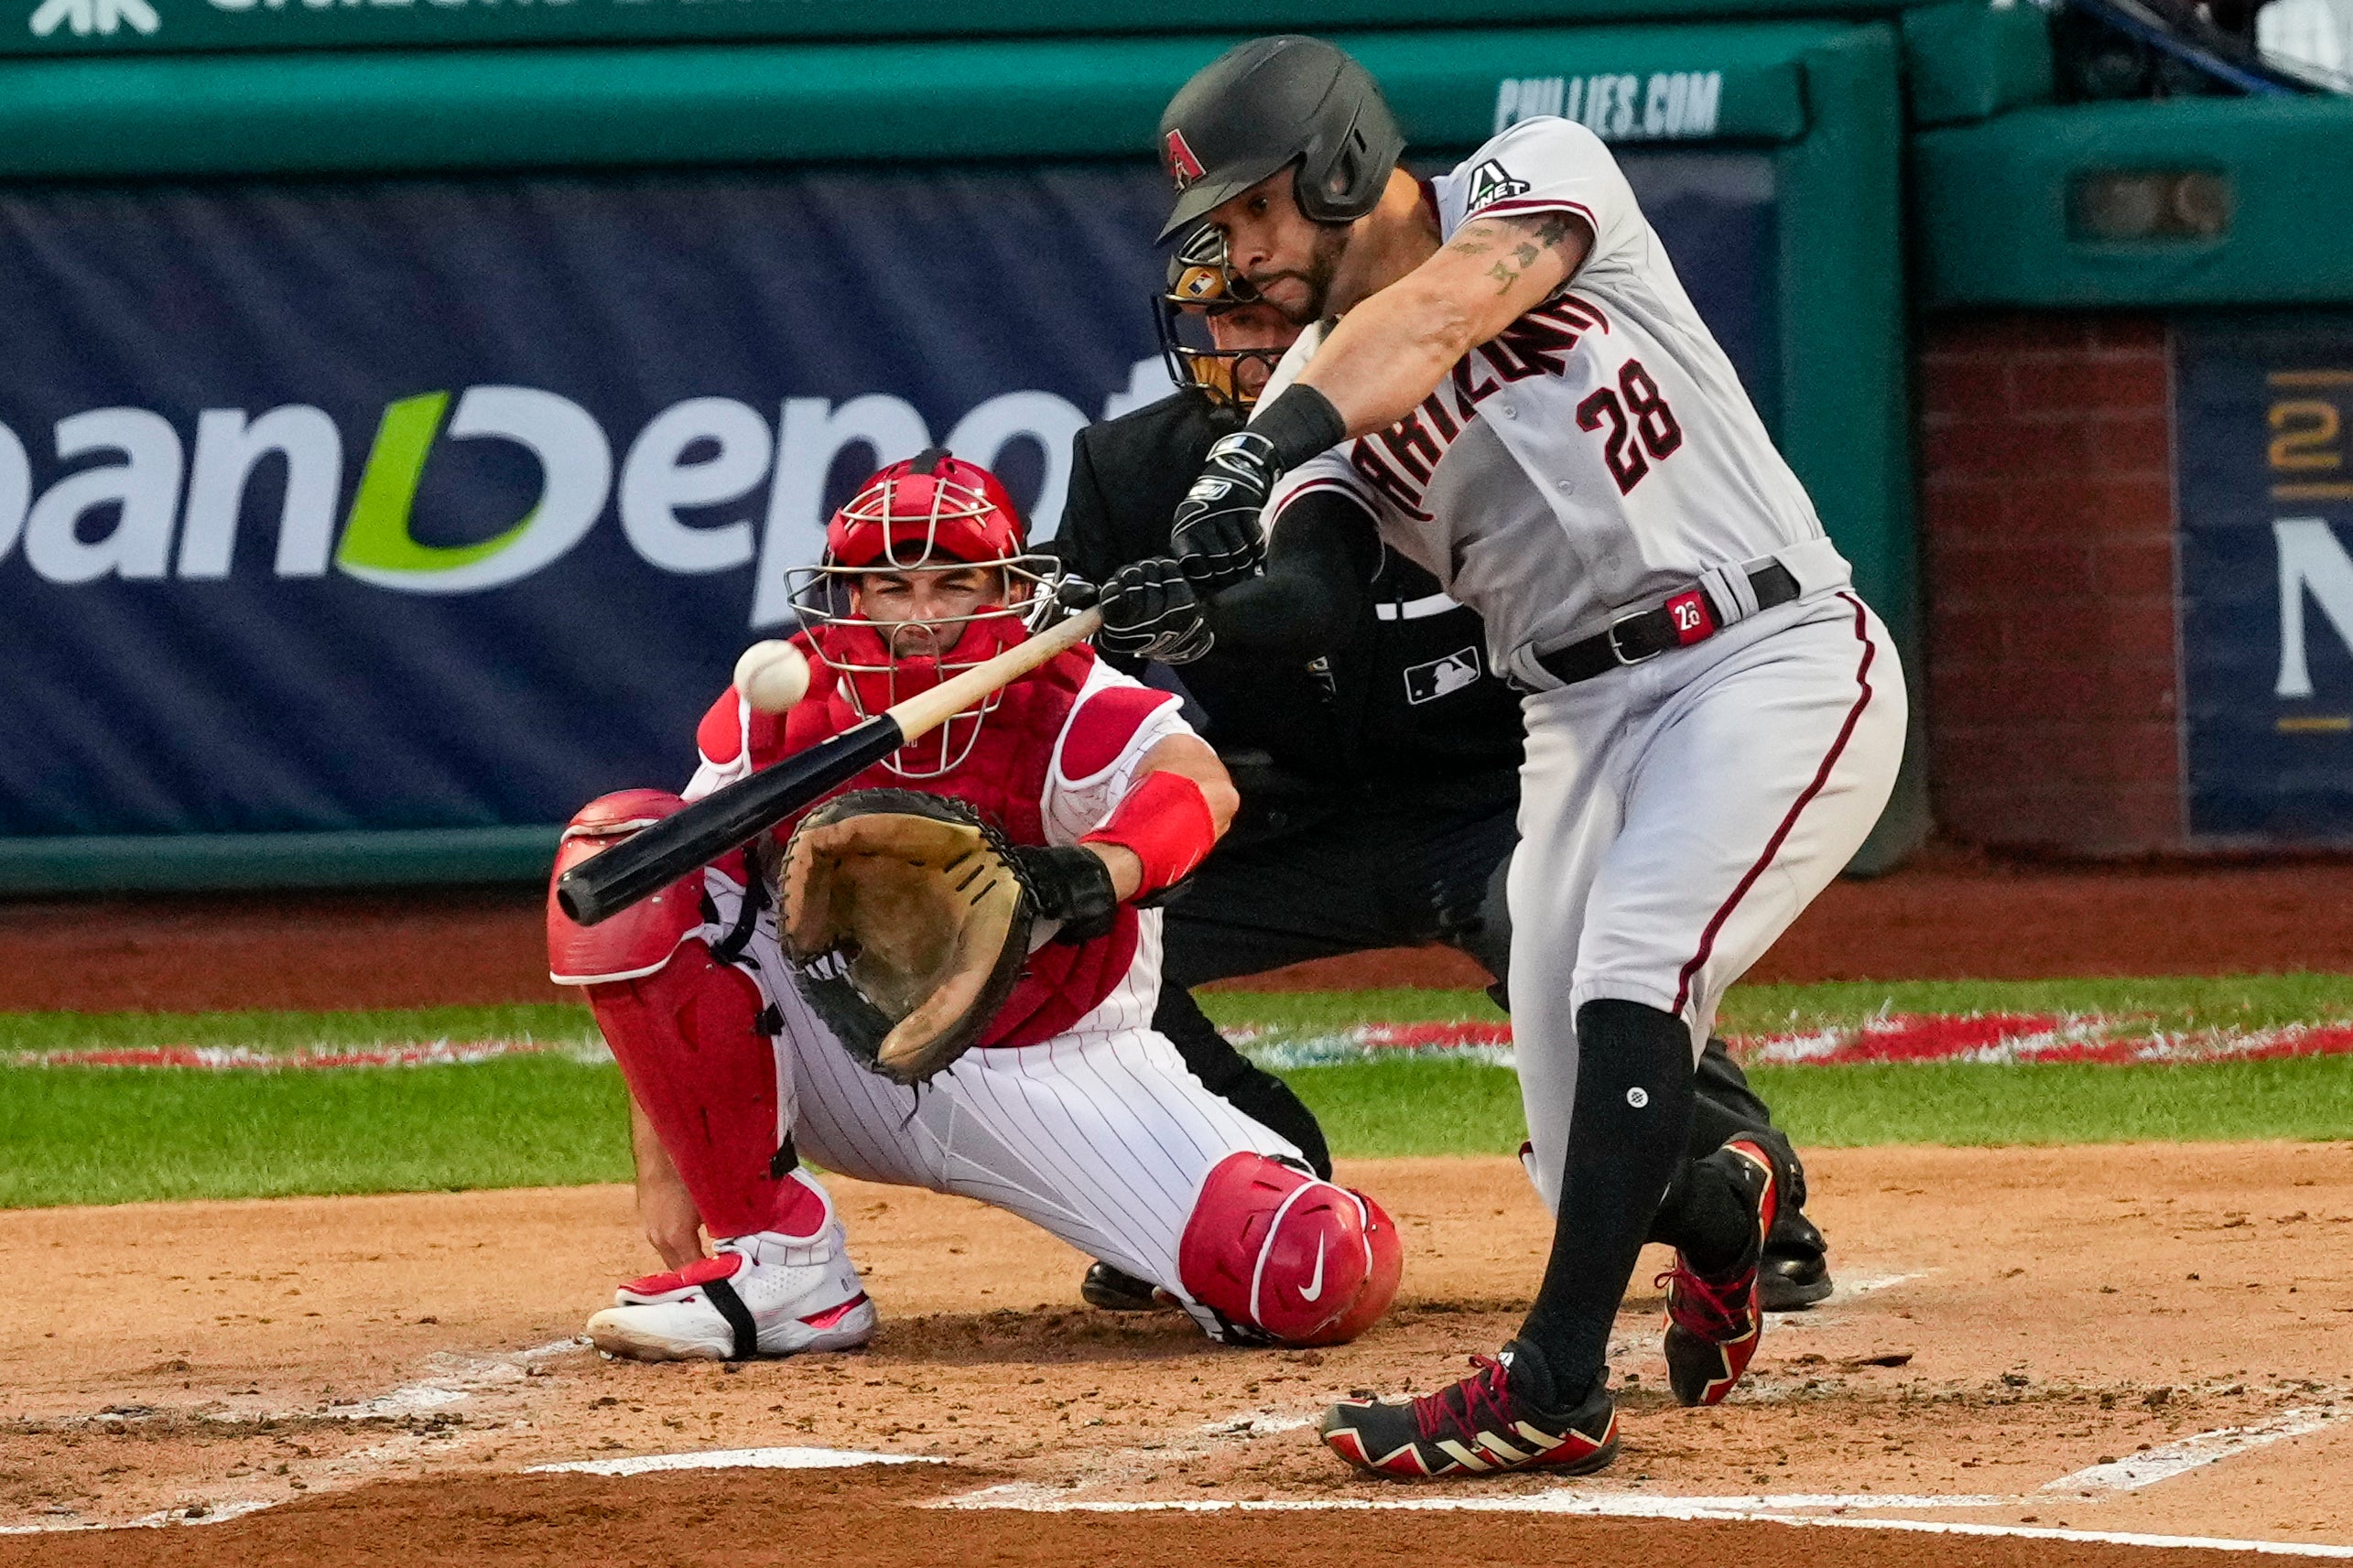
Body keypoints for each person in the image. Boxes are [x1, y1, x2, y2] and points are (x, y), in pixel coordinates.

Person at [1111, 36, 1908, 1476]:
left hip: (1762, 649)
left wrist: (1258, 440)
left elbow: (1434, 317)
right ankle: (1726, 1212)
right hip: (1581, 722)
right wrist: (1198, 605)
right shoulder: (1307, 406)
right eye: (1218, 230)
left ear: (1341, 161)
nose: (1236, 255)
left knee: (1633, 966)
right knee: (1584, 1150)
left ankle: (1552, 1382)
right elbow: (1316, 592)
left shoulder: (1535, 171)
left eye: (1251, 212)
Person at [1073, 228, 1836, 1317]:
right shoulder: (1133, 470)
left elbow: (1319, 601)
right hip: (1284, 815)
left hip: (1499, 796)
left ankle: (1741, 1189)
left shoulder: (1483, 434)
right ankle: (1234, 1175)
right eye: (1227, 322)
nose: (1248, 348)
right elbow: (1080, 707)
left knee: (1585, 939)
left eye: (1269, 320)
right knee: (1084, 931)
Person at [545, 449, 1402, 1360]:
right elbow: (672, 910)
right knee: (623, 848)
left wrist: (1089, 870)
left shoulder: (1073, 698)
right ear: (849, 594)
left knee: (1312, 1271)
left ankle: (1170, 1234)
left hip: (1053, 1064)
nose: (920, 618)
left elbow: (1199, 789)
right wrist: (669, 1159)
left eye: (953, 583)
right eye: (891, 586)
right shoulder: (783, 707)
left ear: (1005, 585)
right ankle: (782, 1263)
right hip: (841, 1055)